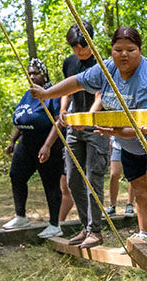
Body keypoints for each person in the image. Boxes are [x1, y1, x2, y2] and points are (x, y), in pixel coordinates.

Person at [32, 27, 147, 254]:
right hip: (129, 140)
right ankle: (146, 235)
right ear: (111, 50)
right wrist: (47, 93)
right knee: (139, 187)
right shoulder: (106, 69)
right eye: (118, 49)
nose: (124, 55)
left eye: (130, 49)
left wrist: (119, 133)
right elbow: (77, 82)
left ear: (140, 51)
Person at [43, 22, 109, 247]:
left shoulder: (102, 63)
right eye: (75, 48)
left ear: (91, 41)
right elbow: (68, 90)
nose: (80, 51)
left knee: (93, 177)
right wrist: (63, 110)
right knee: (72, 179)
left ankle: (96, 230)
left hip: (95, 125)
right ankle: (85, 226)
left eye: (83, 47)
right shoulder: (70, 63)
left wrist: (88, 118)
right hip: (73, 126)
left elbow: (100, 95)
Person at [4, 58, 64, 238]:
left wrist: (47, 145)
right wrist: (12, 140)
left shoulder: (52, 93)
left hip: (47, 143)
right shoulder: (28, 94)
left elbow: (58, 121)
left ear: (44, 74)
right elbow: (22, 117)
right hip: (26, 142)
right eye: (29, 73)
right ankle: (20, 216)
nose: (31, 76)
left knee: (50, 183)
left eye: (35, 73)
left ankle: (55, 224)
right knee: (16, 176)